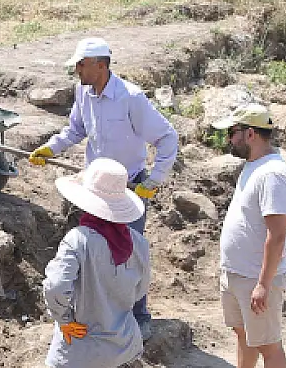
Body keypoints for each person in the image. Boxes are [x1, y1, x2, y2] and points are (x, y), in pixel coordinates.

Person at [28, 36, 178, 324]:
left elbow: (167, 137)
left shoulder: (130, 98)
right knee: (96, 250)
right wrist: (51, 148)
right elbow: (75, 130)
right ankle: (100, 312)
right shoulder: (83, 92)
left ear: (100, 65)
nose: (77, 71)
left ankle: (138, 317)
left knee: (129, 252)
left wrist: (156, 179)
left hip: (129, 188)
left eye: (81, 65)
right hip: (94, 189)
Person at [42, 158, 150, 368]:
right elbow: (140, 291)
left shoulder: (78, 239)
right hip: (122, 343)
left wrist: (63, 317)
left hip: (82, 348)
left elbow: (56, 285)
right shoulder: (135, 241)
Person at [202, 105, 286, 368]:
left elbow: (278, 234)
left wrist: (264, 284)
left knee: (269, 344)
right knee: (244, 333)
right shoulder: (254, 166)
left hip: (256, 278)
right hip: (238, 273)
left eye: (232, 132)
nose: (228, 139)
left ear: (250, 133)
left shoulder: (272, 174)